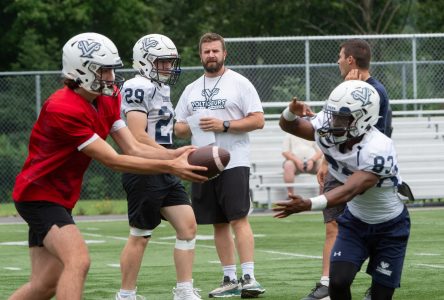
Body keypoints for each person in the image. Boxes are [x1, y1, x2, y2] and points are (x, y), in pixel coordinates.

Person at [9, 32, 207, 300]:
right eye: (103, 70)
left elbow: (133, 147)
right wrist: (172, 167)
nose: (111, 78)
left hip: (59, 196)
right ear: (80, 70)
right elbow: (113, 160)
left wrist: (173, 156)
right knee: (78, 261)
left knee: (44, 285)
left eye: (111, 70)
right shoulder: (62, 107)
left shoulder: (108, 97)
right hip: (39, 196)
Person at [274, 80, 410, 300]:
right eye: (333, 114)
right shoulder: (331, 128)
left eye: (342, 117)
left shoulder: (379, 147)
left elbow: (349, 190)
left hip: (390, 226)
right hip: (355, 222)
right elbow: (289, 126)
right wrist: (291, 111)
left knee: (380, 296)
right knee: (337, 282)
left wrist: (309, 203)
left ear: (363, 117)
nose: (333, 121)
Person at [174, 32, 266, 298]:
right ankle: (229, 278)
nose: (211, 55)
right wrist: (189, 125)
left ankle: (249, 277)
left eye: (216, 51)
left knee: (238, 217)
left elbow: (258, 120)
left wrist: (224, 124)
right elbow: (179, 127)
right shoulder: (191, 89)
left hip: (234, 159)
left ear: (224, 54)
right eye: (206, 51)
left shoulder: (239, 83)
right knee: (218, 222)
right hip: (203, 161)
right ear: (200, 55)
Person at [302, 38, 393, 300]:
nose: (338, 61)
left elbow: (378, 138)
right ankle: (326, 284)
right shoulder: (345, 89)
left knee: (372, 229)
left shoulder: (376, 93)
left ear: (351, 60)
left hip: (361, 172)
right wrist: (324, 158)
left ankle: (377, 285)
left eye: (341, 56)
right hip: (336, 167)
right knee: (333, 224)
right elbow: (332, 127)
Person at [114, 34, 201, 300]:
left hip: (165, 165)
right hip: (144, 168)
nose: (169, 68)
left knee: (188, 227)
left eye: (171, 62)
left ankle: (184, 290)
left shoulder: (160, 87)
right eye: (163, 62)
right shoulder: (136, 85)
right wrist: (173, 156)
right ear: (145, 61)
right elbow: (138, 135)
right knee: (141, 234)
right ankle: (126, 294)